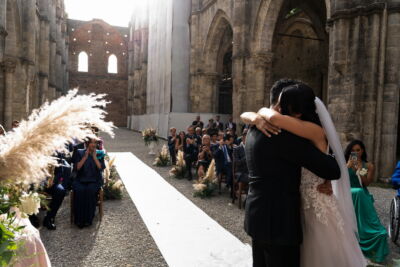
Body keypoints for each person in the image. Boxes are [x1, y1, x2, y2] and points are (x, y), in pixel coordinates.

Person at [245, 82, 367, 266]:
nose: (279, 109)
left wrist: (258, 114)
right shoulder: (280, 134)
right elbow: (331, 169)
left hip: (264, 214)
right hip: (283, 220)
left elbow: (335, 170)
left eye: (282, 105)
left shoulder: (256, 129)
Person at [345, 140, 389, 263]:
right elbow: (338, 180)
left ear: (362, 151)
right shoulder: (344, 163)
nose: (356, 153)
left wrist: (360, 169)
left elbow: (365, 183)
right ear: (349, 151)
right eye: (353, 150)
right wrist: (347, 166)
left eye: (358, 150)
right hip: (346, 194)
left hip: (361, 195)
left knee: (359, 193)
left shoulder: (367, 165)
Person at [72, 138, 105, 228]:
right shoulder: (79, 152)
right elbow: (77, 168)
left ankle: (88, 219)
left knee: (90, 191)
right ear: (87, 143)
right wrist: (85, 157)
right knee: (79, 191)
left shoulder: (100, 153)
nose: (93, 145)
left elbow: (101, 168)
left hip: (94, 180)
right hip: (80, 179)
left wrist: (94, 157)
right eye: (91, 142)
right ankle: (79, 220)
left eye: (95, 143)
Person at [43, 152, 72, 230]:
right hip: (35, 181)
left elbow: (60, 170)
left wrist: (53, 181)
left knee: (61, 191)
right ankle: (32, 218)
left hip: (51, 182)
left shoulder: (56, 150)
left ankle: (49, 217)